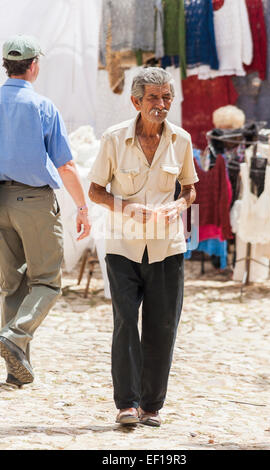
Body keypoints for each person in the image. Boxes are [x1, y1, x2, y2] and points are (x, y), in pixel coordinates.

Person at [88, 67, 198, 427]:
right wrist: (126, 207)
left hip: (167, 247)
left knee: (163, 325)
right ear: (136, 101)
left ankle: (152, 405)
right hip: (123, 246)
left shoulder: (181, 140)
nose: (162, 104)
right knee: (125, 324)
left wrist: (179, 206)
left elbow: (190, 187)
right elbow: (96, 191)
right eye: (154, 97)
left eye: (167, 97)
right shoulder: (113, 139)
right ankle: (127, 404)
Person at [0, 35, 91, 387]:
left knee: (12, 286)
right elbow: (66, 165)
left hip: (1, 203)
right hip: (34, 202)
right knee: (47, 282)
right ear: (34, 65)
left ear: (7, 65)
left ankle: (15, 369)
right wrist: (82, 207)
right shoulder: (42, 107)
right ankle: (14, 334)